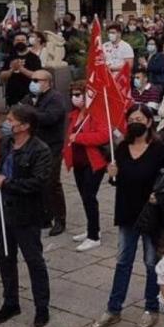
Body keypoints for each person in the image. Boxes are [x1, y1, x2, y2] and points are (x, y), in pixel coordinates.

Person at [91, 104, 164, 327]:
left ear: (149, 122)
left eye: (139, 118)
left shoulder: (160, 150)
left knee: (152, 262)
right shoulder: (121, 149)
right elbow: (119, 181)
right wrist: (112, 177)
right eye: (131, 119)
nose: (135, 122)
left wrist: (159, 197)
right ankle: (114, 308)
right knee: (123, 261)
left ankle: (151, 308)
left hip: (153, 215)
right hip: (127, 214)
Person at [0, 104, 52, 327]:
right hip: (0, 210)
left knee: (34, 260)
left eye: (11, 120)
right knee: (5, 258)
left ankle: (42, 307)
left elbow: (38, 183)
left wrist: (8, 183)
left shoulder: (40, 150)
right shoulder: (4, 144)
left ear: (25, 125)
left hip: (25, 213)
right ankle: (10, 302)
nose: (7, 124)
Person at [65, 82, 110, 252]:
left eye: (78, 94)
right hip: (78, 163)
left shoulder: (97, 114)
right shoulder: (75, 114)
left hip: (94, 162)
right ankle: (93, 228)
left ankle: (94, 236)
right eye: (73, 94)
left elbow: (103, 136)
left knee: (90, 197)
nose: (75, 98)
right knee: (84, 197)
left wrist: (80, 138)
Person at [24, 69, 68, 236]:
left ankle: (60, 219)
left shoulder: (55, 98)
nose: (33, 82)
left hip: (52, 146)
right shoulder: (31, 98)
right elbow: (20, 110)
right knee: (38, 181)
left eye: (37, 80)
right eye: (32, 79)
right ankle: (45, 215)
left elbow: (50, 118)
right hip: (35, 145)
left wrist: (30, 113)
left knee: (52, 183)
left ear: (47, 82)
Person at [0, 32, 42, 107]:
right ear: (14, 42)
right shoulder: (10, 57)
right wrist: (12, 69)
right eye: (17, 40)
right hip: (12, 95)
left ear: (27, 42)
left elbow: (37, 76)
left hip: (29, 95)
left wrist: (21, 68)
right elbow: (2, 76)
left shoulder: (34, 58)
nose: (20, 42)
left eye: (22, 40)